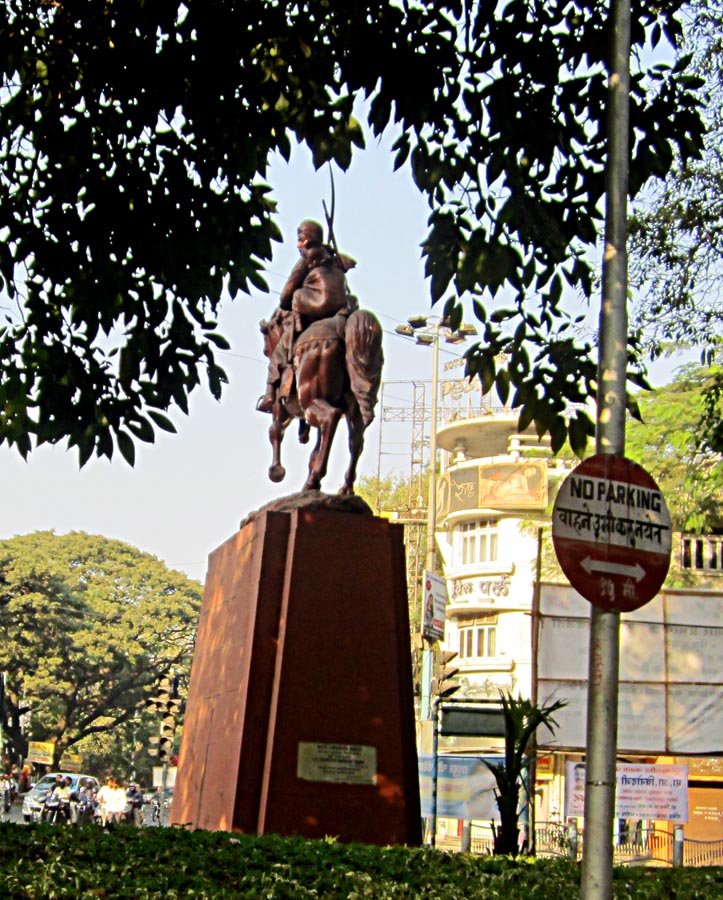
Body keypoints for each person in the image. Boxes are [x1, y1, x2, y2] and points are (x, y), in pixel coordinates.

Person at [256, 219, 356, 413]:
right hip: (340, 308)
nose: (298, 245)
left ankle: (269, 394)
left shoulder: (305, 260)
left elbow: (285, 297)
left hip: (318, 305)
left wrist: (291, 300)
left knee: (279, 352)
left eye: (300, 239)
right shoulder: (335, 259)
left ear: (308, 239)